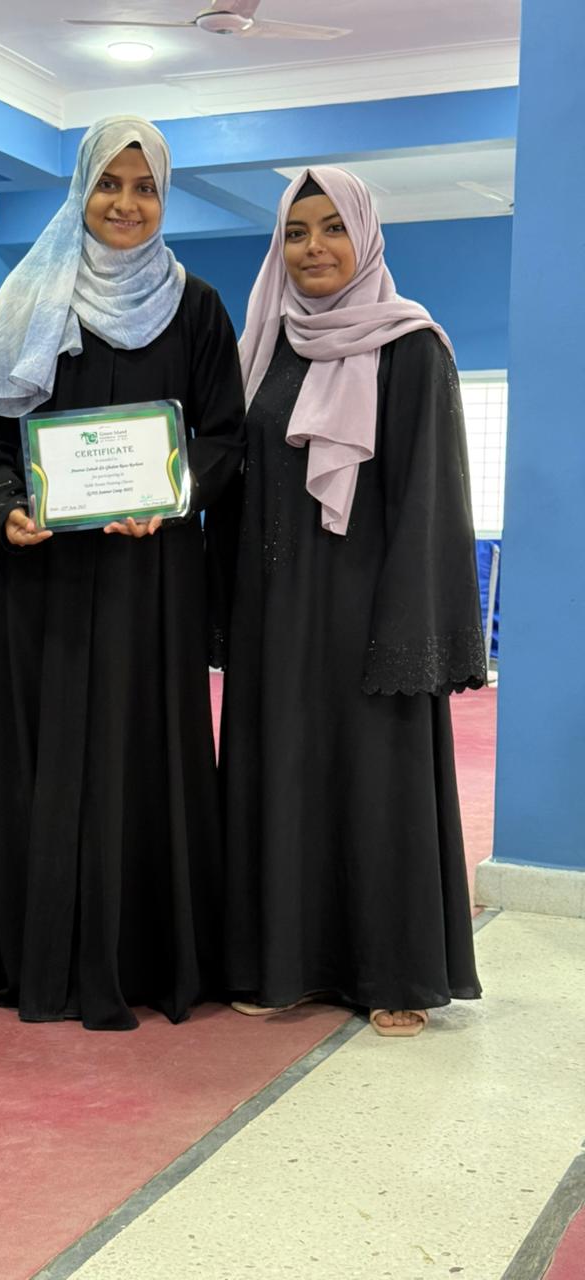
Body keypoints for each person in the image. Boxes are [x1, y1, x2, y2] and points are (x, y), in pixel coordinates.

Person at [0, 116, 246, 1031]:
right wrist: (5, 505)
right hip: (44, 577)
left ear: (165, 199)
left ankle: (148, 957)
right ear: (81, 190)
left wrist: (174, 494)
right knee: (44, 752)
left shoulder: (196, 306)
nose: (126, 205)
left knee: (144, 747)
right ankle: (40, 955)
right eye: (109, 185)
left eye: (145, 188)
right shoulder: (28, 295)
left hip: (149, 578)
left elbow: (225, 435)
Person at [217, 167, 485, 1037]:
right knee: (281, 778)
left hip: (370, 614)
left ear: (365, 236)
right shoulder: (266, 348)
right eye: (296, 233)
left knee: (377, 787)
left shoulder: (412, 348)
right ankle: (286, 966)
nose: (314, 248)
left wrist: (410, 631)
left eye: (333, 228)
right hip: (275, 615)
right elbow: (231, 478)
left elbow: (429, 501)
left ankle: (393, 972)